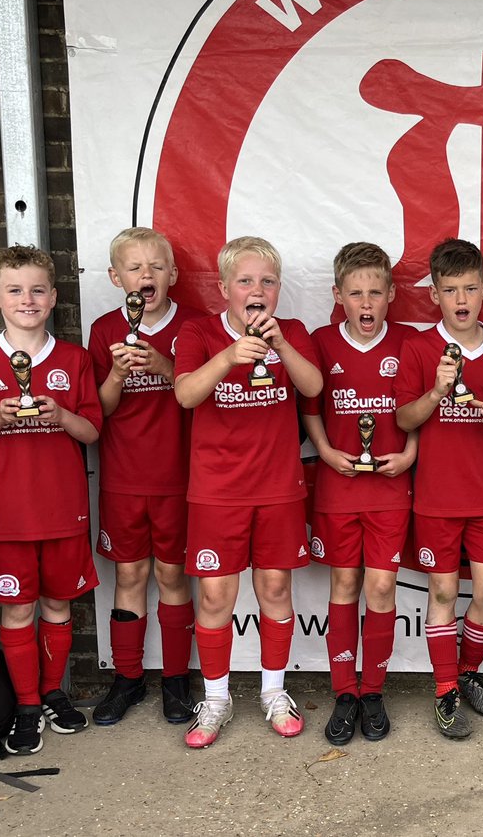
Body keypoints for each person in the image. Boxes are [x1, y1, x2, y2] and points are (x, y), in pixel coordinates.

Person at [174, 236, 323, 747]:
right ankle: (215, 698)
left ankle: (273, 692)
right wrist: (229, 357)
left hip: (278, 487)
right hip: (217, 490)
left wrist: (279, 345)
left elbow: (313, 387)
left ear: (278, 289)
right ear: (224, 289)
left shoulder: (294, 333)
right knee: (216, 594)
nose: (256, 289)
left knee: (276, 591)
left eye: (266, 281)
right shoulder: (198, 331)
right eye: (245, 281)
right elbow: (186, 393)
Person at [0, 246, 102, 756]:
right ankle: (25, 705)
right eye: (15, 290)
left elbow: (91, 430)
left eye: (38, 289)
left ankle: (54, 692)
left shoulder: (74, 359)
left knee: (58, 605)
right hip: (8, 514)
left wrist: (59, 414)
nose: (27, 299)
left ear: (54, 296)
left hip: (62, 509)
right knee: (18, 610)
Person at [395, 238, 483, 739]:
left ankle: (467, 673)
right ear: (435, 296)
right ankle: (445, 691)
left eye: (470, 288)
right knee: (443, 590)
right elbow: (404, 418)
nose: (462, 299)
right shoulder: (419, 349)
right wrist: (437, 391)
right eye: (451, 290)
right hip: (437, 498)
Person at [301, 242, 418, 745]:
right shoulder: (321, 341)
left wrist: (411, 452)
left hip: (390, 490)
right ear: (337, 295)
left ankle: (373, 690)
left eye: (375, 293)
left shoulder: (409, 342)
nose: (366, 304)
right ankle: (343, 691)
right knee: (344, 588)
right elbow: (309, 406)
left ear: (391, 294)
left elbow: (421, 409)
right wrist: (325, 450)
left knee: (382, 589)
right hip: (338, 489)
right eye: (355, 294)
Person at [89, 228, 199, 726]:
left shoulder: (194, 327)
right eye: (134, 268)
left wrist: (164, 363)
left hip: (179, 477)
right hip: (123, 477)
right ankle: (127, 679)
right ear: (116, 277)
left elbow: (201, 394)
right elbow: (99, 411)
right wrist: (116, 374)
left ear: (173, 275)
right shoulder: (103, 328)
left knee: (172, 575)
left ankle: (176, 679)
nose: (146, 275)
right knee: (130, 575)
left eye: (156, 266)